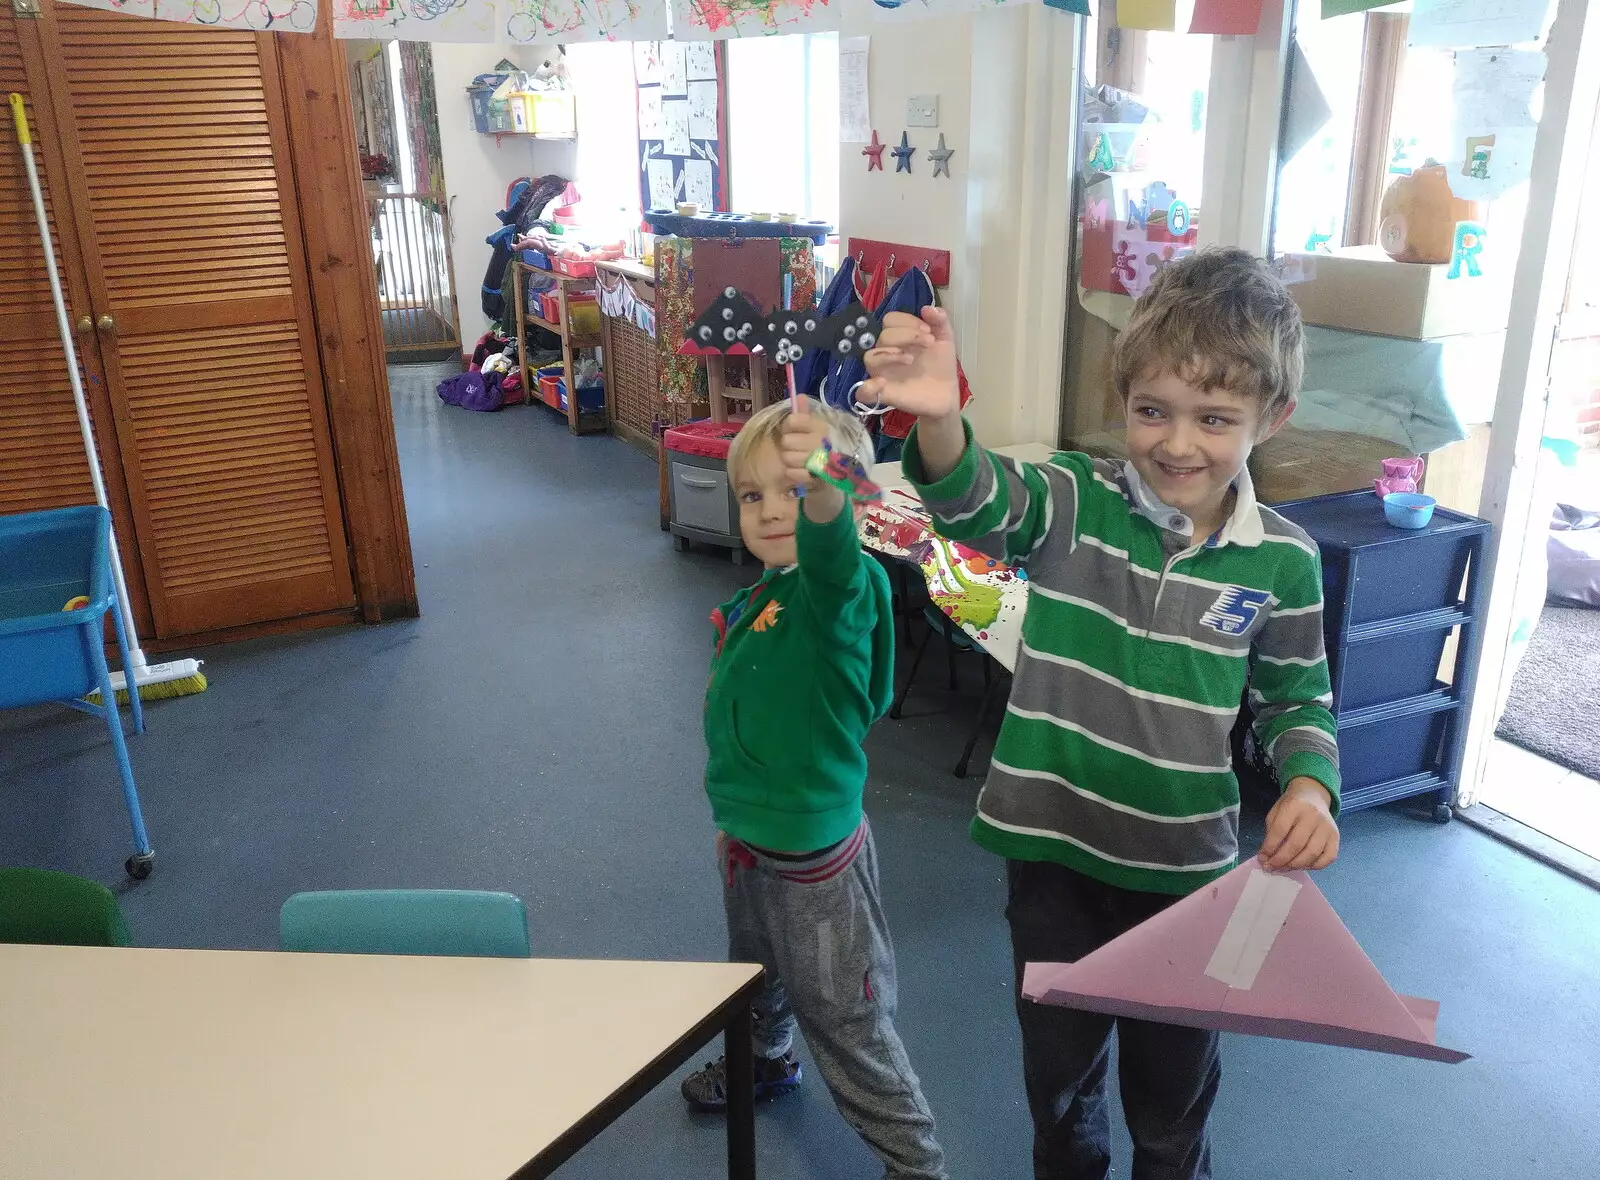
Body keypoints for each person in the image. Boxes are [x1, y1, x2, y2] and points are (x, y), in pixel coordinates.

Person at [860, 247, 1343, 1180]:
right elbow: (974, 501)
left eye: (1215, 418)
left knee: (1169, 1112)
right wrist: (942, 418)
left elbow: (1297, 698)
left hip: (1187, 882)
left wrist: (1312, 787)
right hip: (1054, 870)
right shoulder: (1076, 500)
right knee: (1062, 1090)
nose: (1177, 444)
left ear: (1270, 420)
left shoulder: (1282, 562)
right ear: (1123, 395)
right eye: (1152, 409)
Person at [682, 396, 949, 1180]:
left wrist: (828, 485)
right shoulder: (765, 592)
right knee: (754, 972)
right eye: (753, 494)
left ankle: (916, 1164)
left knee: (847, 1019)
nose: (769, 512)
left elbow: (833, 552)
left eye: (794, 491)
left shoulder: (840, 591)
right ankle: (766, 1061)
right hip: (750, 844)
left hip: (817, 869)